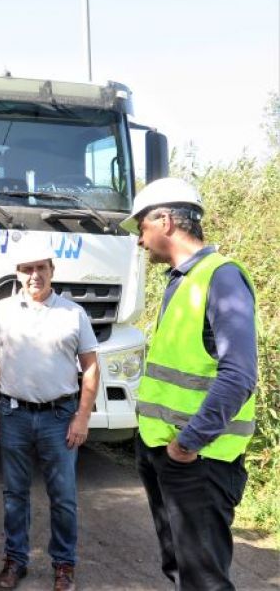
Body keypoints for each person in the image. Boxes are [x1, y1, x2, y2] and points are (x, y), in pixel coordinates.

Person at [120, 177, 257, 591]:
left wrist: (187, 445)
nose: (140, 242)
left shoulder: (221, 277)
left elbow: (239, 376)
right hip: (166, 450)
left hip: (198, 459)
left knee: (205, 580)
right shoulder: (180, 280)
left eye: (141, 228)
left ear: (164, 221)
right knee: (182, 568)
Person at [0, 245, 100, 591]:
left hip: (60, 417)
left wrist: (82, 418)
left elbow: (90, 367)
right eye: (27, 268)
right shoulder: (1, 312)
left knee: (63, 497)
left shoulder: (73, 314)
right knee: (15, 494)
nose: (35, 275)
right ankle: (16, 560)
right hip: (14, 414)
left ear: (52, 270)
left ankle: (64, 565)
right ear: (17, 273)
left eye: (41, 267)